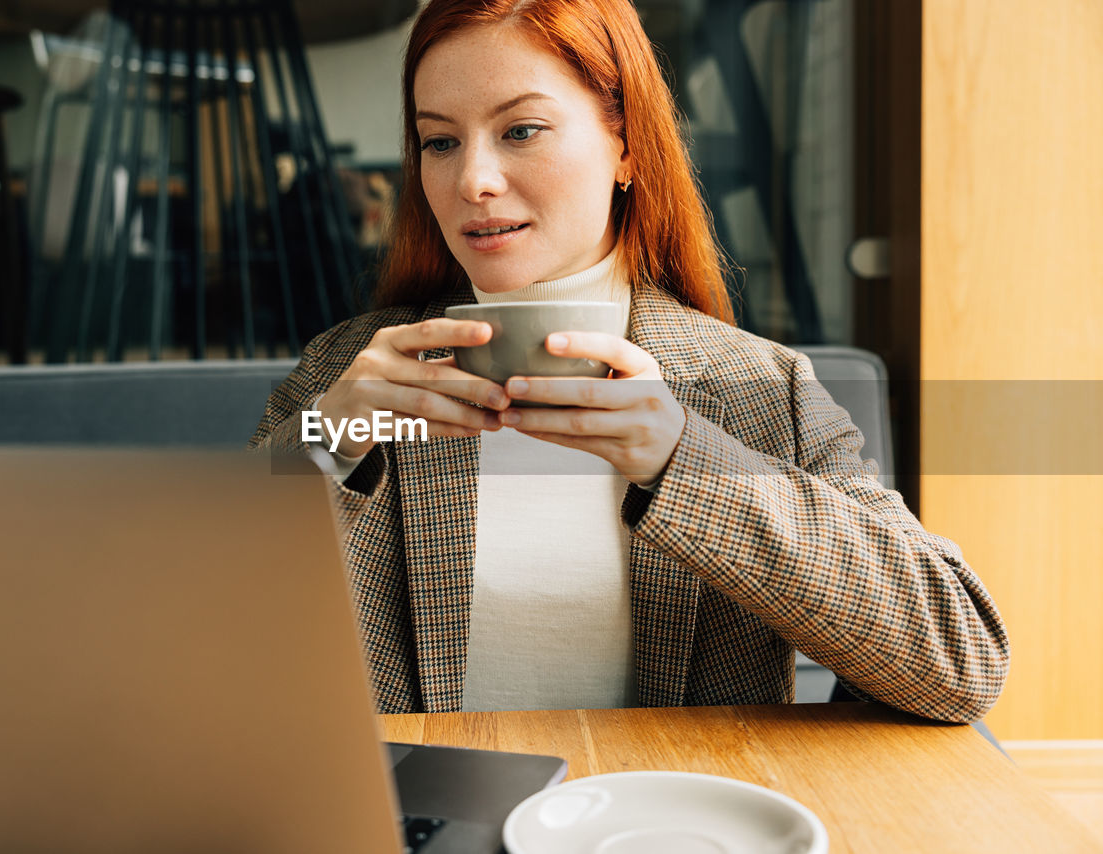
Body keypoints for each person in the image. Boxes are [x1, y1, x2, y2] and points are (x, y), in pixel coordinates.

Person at [250, 0, 1007, 723]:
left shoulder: (763, 391)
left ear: (626, 148)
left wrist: (686, 461)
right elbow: (208, 630)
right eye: (440, 142)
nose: (472, 180)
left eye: (521, 131)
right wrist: (326, 444)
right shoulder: (348, 375)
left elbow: (960, 662)